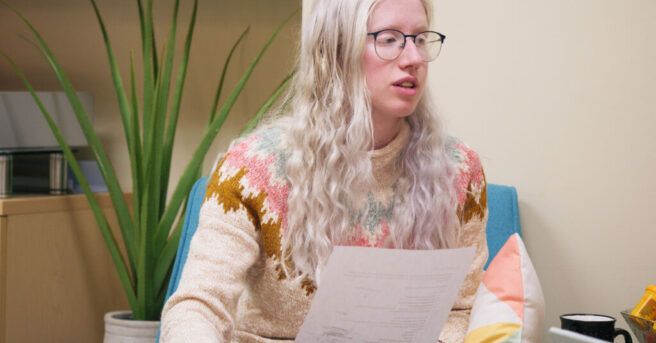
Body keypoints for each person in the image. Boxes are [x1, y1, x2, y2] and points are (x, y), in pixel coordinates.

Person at [160, 0, 488, 342]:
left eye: (420, 39)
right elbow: (197, 306)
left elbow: (463, 310)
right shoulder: (252, 169)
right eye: (389, 39)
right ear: (334, 51)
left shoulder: (458, 172)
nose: (414, 58)